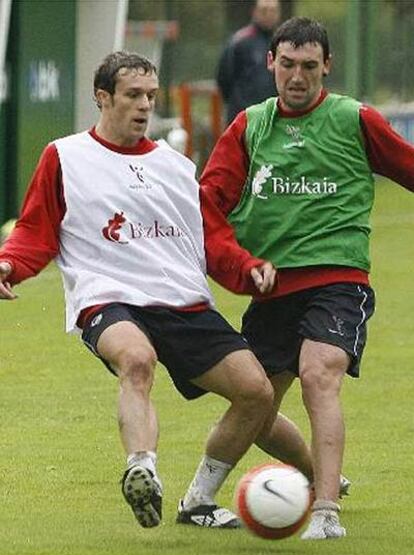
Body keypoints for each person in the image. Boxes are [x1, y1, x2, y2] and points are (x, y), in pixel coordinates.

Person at [0, 51, 315, 530]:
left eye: (150, 95)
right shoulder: (65, 156)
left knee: (254, 393)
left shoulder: (175, 166)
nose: (144, 105)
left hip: (182, 302)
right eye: (132, 95)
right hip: (108, 297)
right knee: (136, 360)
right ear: (102, 98)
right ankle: (142, 467)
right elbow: (34, 231)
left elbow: (212, 239)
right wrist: (9, 265)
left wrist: (248, 269)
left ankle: (206, 501)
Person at [200, 16, 414, 540]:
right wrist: (240, 264)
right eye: (288, 65)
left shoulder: (354, 118)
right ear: (271, 62)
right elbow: (207, 206)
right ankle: (203, 496)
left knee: (320, 375)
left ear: (327, 67)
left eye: (310, 66)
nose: (298, 77)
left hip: (339, 278)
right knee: (255, 403)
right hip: (272, 287)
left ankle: (324, 513)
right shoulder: (249, 126)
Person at [217, 0, 280, 124]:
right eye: (264, 10)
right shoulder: (239, 41)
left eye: (273, 10)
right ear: (254, 12)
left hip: (274, 119)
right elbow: (224, 78)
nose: (268, 15)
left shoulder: (283, 42)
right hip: (243, 118)